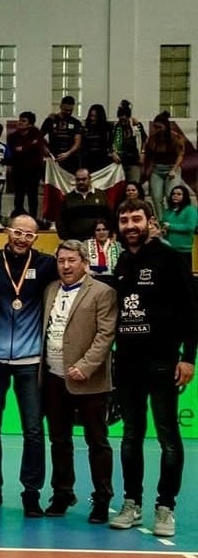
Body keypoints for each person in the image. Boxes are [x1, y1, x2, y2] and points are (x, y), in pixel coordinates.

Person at [110, 200, 196, 537]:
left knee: (168, 438)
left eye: (136, 219)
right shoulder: (123, 262)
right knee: (130, 437)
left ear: (150, 221)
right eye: (125, 220)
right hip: (128, 364)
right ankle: (131, 503)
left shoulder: (171, 258)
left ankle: (165, 508)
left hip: (162, 363)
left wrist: (188, 357)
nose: (130, 225)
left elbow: (191, 312)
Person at [0, 214, 58, 516]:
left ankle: (31, 493)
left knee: (33, 430)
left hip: (30, 361)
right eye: (17, 232)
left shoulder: (46, 264)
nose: (22, 238)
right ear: (7, 232)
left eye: (29, 235)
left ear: (36, 238)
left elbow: (76, 276)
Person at [41, 240, 116, 523]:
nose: (66, 266)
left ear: (84, 263)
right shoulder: (50, 290)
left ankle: (101, 498)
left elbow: (105, 335)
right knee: (59, 440)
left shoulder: (102, 292)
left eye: (71, 260)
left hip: (90, 381)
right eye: (61, 261)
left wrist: (85, 366)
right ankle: (62, 493)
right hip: (53, 377)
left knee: (97, 441)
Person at [144, 111, 185, 219]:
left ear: (165, 126)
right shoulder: (153, 139)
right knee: (156, 198)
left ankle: (173, 219)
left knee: (170, 196)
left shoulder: (174, 137)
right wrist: (149, 170)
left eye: (159, 127)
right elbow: (150, 156)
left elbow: (180, 155)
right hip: (157, 170)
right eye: (155, 127)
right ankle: (162, 222)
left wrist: (174, 170)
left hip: (172, 168)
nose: (157, 130)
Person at [7, 112, 48, 219]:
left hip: (34, 170)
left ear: (30, 124)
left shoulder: (37, 134)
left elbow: (35, 147)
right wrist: (29, 146)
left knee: (32, 195)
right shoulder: (13, 136)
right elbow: (14, 151)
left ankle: (33, 218)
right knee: (18, 195)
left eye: (23, 121)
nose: (20, 122)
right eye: (20, 120)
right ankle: (18, 217)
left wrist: (23, 148)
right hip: (18, 170)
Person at [57, 168, 112, 241]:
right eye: (78, 180)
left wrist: (108, 235)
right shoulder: (68, 198)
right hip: (75, 243)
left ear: (90, 179)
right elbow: (60, 221)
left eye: (84, 179)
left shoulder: (101, 195)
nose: (81, 182)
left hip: (98, 242)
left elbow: (110, 217)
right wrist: (67, 239)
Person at [41, 96, 84, 174]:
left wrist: (68, 153)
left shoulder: (76, 122)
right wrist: (44, 147)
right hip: (54, 159)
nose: (68, 112)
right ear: (60, 106)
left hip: (70, 159)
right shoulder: (51, 120)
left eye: (70, 110)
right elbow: (39, 137)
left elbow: (77, 142)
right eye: (66, 110)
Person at [110, 100, 146, 184]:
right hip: (120, 162)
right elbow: (109, 143)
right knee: (120, 187)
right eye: (121, 119)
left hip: (134, 161)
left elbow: (144, 140)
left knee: (134, 184)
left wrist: (143, 153)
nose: (123, 122)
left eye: (125, 120)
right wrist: (113, 153)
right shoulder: (115, 127)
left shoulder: (137, 126)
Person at [159, 184, 196, 262]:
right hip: (168, 249)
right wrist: (163, 229)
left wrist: (170, 226)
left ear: (185, 196)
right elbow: (162, 224)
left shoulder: (190, 210)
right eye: (173, 194)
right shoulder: (168, 211)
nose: (175, 196)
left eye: (179, 194)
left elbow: (190, 227)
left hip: (183, 251)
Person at [82, 104, 113, 172]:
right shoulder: (85, 127)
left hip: (103, 160)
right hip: (88, 160)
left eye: (95, 116)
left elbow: (111, 143)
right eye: (91, 116)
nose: (92, 118)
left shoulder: (108, 127)